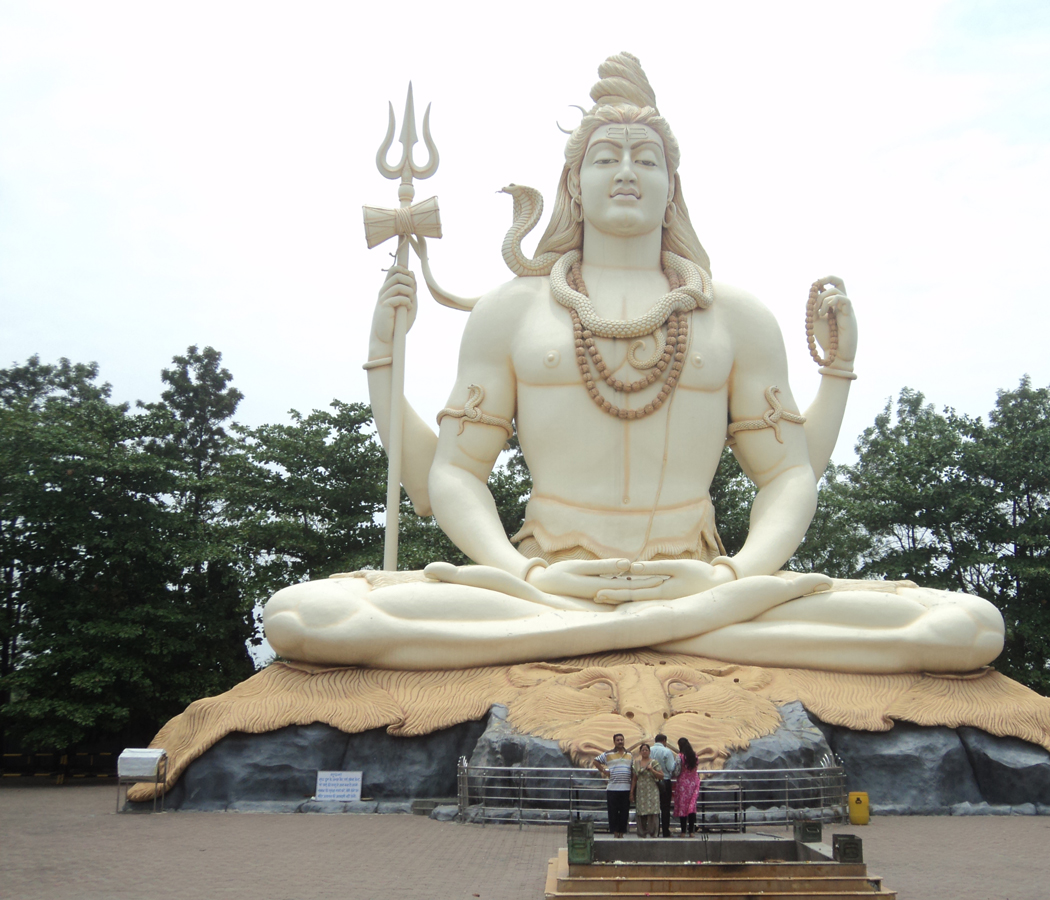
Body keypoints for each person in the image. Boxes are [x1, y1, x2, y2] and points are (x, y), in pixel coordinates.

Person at [261, 52, 1005, 676]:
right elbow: (450, 476)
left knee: (969, 627)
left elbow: (788, 473)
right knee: (303, 616)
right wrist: (385, 363)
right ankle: (655, 633)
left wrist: (737, 574)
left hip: (700, 581)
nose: (626, 171)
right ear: (573, 183)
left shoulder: (734, 314)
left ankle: (631, 630)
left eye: (646, 159)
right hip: (542, 585)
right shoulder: (511, 311)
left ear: (672, 185)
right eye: (605, 157)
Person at [594, 733, 633, 837]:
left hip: (626, 788)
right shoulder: (608, 754)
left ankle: (622, 833)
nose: (620, 742)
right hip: (612, 788)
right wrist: (603, 771)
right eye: (618, 740)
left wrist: (632, 790)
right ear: (614, 742)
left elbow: (632, 770)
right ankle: (615, 833)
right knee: (613, 812)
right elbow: (596, 761)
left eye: (621, 740)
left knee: (624, 812)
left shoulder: (630, 755)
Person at [631, 743, 665, 838]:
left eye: (646, 750)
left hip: (652, 790)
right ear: (640, 752)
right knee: (641, 811)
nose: (644, 751)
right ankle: (641, 833)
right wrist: (631, 792)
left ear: (649, 752)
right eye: (643, 750)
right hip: (641, 791)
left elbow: (662, 776)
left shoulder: (654, 763)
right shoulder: (636, 763)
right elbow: (634, 778)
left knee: (653, 811)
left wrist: (652, 770)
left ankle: (653, 833)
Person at [650, 734, 677, 837]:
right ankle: (665, 831)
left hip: (652, 781)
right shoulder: (667, 751)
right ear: (664, 741)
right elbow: (671, 767)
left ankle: (654, 831)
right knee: (665, 807)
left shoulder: (649, 750)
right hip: (665, 781)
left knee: (654, 807)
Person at [673, 737, 700, 837]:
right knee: (692, 807)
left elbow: (677, 771)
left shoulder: (679, 757)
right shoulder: (695, 756)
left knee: (682, 808)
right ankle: (691, 831)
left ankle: (683, 832)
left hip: (683, 785)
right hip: (694, 783)